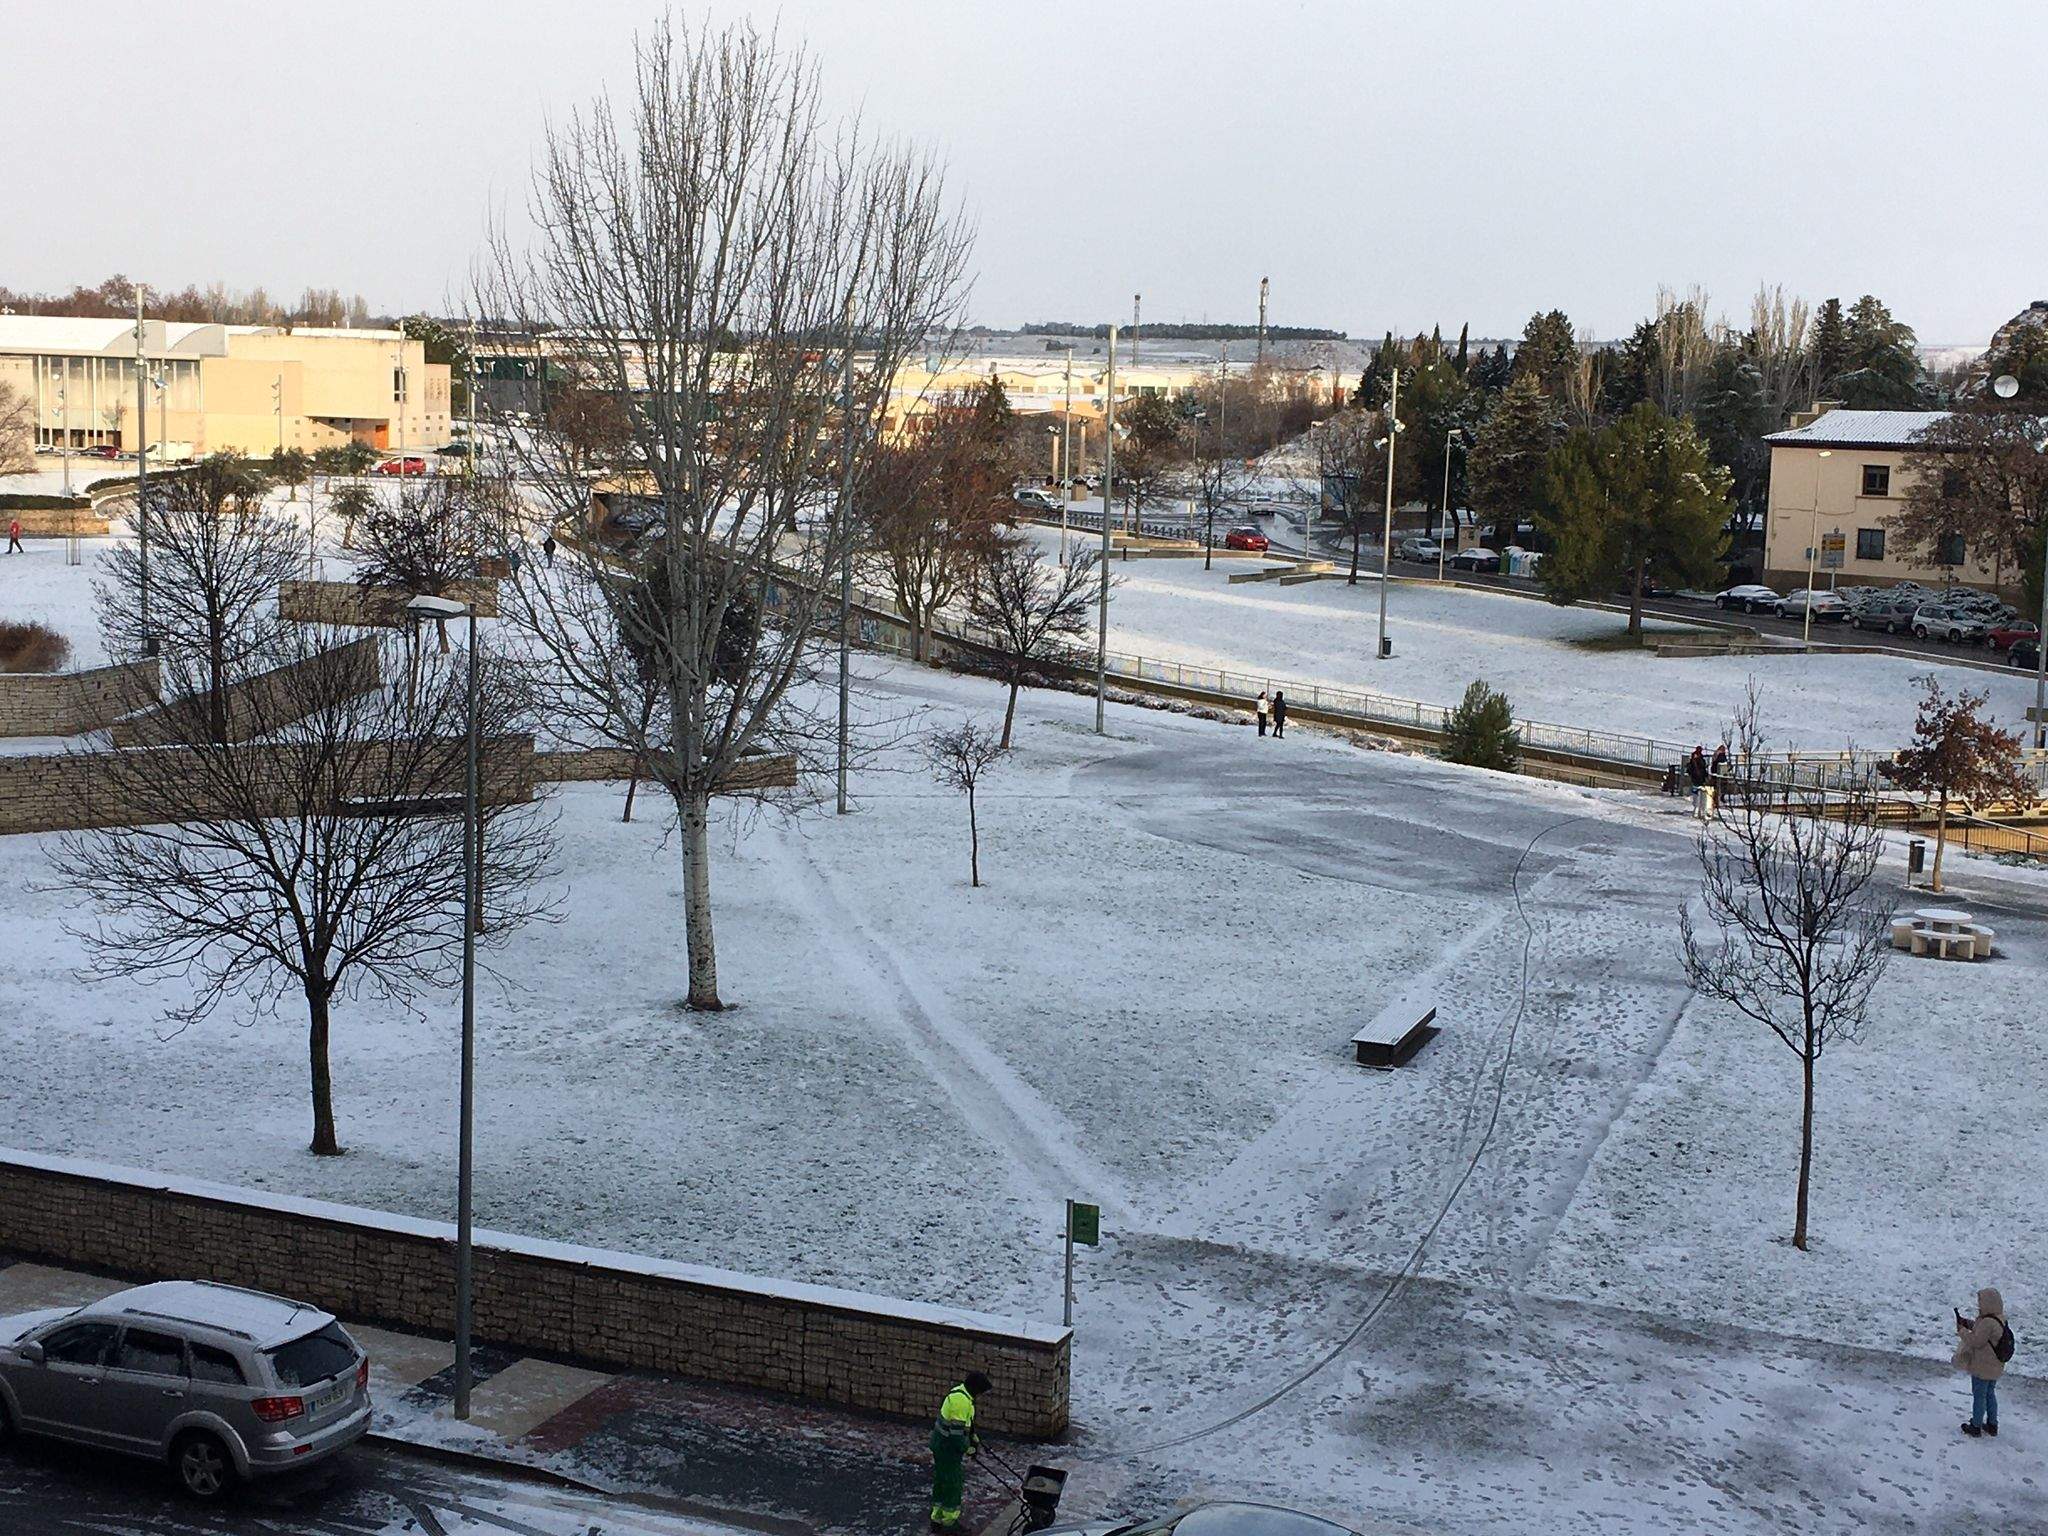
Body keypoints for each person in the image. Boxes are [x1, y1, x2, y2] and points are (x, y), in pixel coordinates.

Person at [929, 1370, 991, 1530]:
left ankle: (937, 1518)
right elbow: (956, 1436)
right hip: (947, 1449)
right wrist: (968, 1449)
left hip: (942, 1445)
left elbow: (965, 1426)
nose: (980, 1396)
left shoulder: (961, 1394)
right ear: (976, 1389)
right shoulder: (961, 1403)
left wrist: (973, 1438)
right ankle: (949, 1523)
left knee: (942, 1481)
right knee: (952, 1484)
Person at [1954, 1287, 2009, 1438]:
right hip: (1995, 1366)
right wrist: (1968, 1323)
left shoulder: (1986, 1322)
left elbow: (1976, 1341)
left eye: (1981, 1301)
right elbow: (1984, 1333)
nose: (1979, 1305)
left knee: (1979, 1395)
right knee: (1990, 1394)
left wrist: (1961, 1330)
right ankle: (1992, 1424)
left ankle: (1976, 1426)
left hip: (1982, 1366)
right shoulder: (1999, 1318)